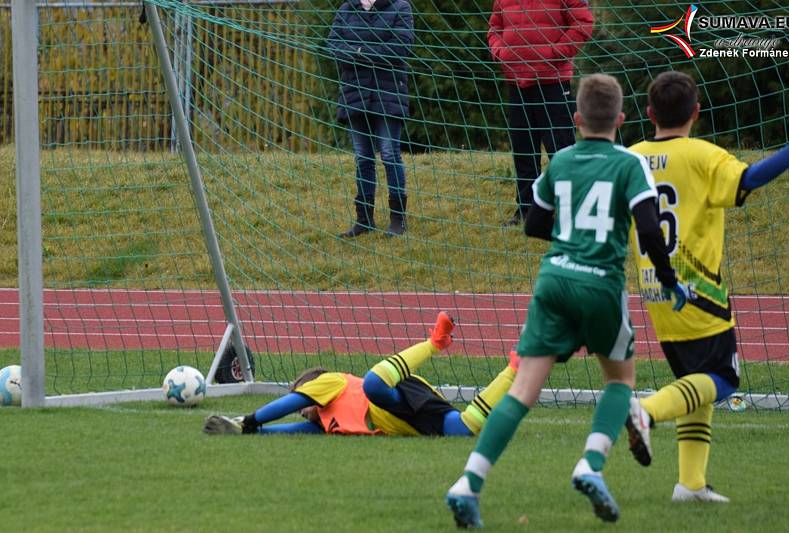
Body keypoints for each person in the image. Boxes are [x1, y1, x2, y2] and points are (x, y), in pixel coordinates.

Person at [444, 73, 690, 528]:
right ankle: (590, 465)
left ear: (576, 118)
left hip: (554, 280)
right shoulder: (629, 164)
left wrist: (569, 237)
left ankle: (468, 483)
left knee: (521, 392)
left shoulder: (558, 161)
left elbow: (534, 224)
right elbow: (651, 229)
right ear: (621, 118)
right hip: (600, 284)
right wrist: (670, 281)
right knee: (620, 381)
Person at [624, 71, 789, 503]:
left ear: (649, 113)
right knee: (723, 377)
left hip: (654, 290)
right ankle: (646, 410)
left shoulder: (629, 158)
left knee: (695, 383)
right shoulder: (704, 155)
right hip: (698, 290)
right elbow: (750, 179)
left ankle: (691, 483)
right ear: (697, 113)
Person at [203, 312, 520, 437]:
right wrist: (254, 433)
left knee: (372, 385)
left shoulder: (332, 382)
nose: (301, 408)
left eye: (303, 397)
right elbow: (294, 429)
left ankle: (435, 342)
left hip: (395, 391)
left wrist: (249, 420)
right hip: (402, 420)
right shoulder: (325, 424)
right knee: (464, 429)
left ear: (312, 387)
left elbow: (286, 405)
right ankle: (516, 367)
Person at [488, 0, 594, 226]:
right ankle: (527, 210)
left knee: (561, 149)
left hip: (553, 81)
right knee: (523, 148)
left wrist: (553, 52)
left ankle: (571, 211)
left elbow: (583, 23)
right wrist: (501, 53)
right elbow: (494, 27)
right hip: (516, 81)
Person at [327, 0, 414, 238]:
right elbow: (334, 47)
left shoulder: (401, 7)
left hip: (389, 94)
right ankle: (364, 220)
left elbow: (400, 49)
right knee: (363, 157)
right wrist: (368, 52)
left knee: (389, 153)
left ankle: (398, 220)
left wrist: (358, 51)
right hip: (355, 94)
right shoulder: (346, 9)